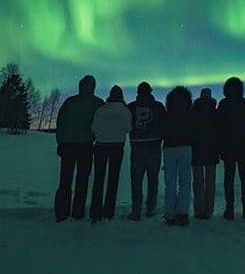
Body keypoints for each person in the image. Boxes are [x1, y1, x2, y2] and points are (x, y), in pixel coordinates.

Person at [53, 75, 104, 222]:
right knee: (82, 180)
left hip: (68, 145)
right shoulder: (98, 103)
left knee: (65, 180)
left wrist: (60, 142)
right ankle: (78, 212)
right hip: (86, 146)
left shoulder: (70, 101)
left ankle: (61, 212)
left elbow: (60, 123)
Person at [215, 76, 245, 220]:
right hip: (244, 148)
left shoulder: (224, 104)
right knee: (244, 178)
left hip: (229, 148)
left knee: (230, 179)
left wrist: (220, 148)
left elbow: (219, 128)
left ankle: (230, 209)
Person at [89, 85, 132, 222]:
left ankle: (95, 211)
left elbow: (94, 128)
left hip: (101, 145)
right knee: (113, 179)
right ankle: (109, 211)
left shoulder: (101, 110)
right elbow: (128, 128)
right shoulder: (125, 111)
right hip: (117, 146)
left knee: (98, 179)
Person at [127, 81, 166, 221]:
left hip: (137, 147)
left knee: (136, 180)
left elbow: (127, 125)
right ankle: (150, 208)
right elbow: (164, 125)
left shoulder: (131, 107)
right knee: (152, 179)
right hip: (154, 146)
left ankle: (136, 210)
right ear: (150, 91)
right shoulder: (159, 106)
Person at [160, 86, 195, 226]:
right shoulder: (189, 114)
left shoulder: (166, 114)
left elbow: (161, 130)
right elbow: (194, 131)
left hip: (169, 149)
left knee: (170, 182)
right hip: (185, 148)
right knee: (185, 182)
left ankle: (170, 214)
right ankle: (182, 213)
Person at [191, 88, 218, 220]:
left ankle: (199, 210)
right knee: (210, 182)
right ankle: (209, 210)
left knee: (198, 182)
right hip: (212, 151)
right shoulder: (215, 112)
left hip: (196, 150)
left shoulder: (194, 111)